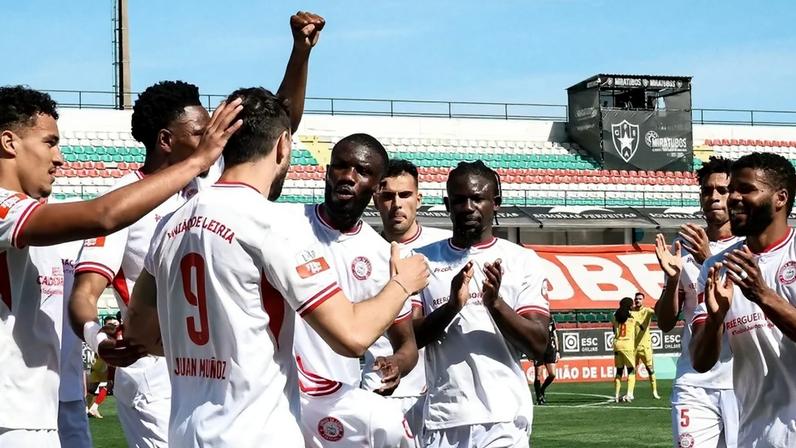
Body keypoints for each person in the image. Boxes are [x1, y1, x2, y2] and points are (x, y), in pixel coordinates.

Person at [68, 11, 324, 446]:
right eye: (202, 132)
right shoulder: (123, 199)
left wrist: (300, 54)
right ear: (166, 140)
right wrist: (97, 338)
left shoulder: (210, 183)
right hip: (153, 369)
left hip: (215, 367)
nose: (216, 139)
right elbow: (85, 292)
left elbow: (276, 130)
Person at [124, 87, 429, 447]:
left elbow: (139, 333)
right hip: (255, 435)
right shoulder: (274, 225)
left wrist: (208, 352)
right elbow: (352, 335)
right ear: (283, 145)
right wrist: (402, 283)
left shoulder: (171, 223)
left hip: (185, 434)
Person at [0, 85, 236, 445]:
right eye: (50, 143)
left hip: (46, 405)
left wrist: (97, 339)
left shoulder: (45, 220)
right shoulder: (7, 211)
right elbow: (104, 215)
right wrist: (197, 160)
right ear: (9, 142)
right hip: (12, 414)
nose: (59, 158)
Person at [413, 160, 550, 448]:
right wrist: (451, 307)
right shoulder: (420, 260)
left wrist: (495, 304)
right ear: (447, 205)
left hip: (505, 417)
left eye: (477, 198)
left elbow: (539, 346)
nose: (468, 207)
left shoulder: (522, 260)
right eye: (459, 200)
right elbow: (410, 338)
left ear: (495, 203)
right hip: (444, 418)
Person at [293, 137, 419, 447]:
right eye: (341, 166)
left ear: (377, 187)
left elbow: (406, 344)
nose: (348, 176)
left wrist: (397, 363)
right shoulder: (285, 226)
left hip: (339, 405)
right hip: (278, 394)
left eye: (362, 171)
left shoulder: (382, 255)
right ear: (327, 173)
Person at [691, 152, 796, 448]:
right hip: (755, 436)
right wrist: (715, 321)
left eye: (746, 189)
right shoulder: (716, 267)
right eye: (732, 189)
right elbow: (700, 362)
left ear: (780, 198)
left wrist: (762, 295)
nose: (733, 198)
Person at [654, 156, 739, 448]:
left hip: (741, 381)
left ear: (735, 195)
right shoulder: (683, 251)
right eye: (706, 190)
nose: (713, 197)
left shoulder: (748, 248)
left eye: (722, 190)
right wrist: (673, 280)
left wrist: (708, 260)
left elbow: (743, 305)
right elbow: (665, 323)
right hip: (694, 382)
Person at [367, 159, 450, 436]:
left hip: (437, 394)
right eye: (388, 196)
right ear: (376, 199)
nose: (397, 204)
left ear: (419, 199)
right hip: (379, 387)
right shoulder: (362, 251)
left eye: (404, 195)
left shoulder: (445, 248)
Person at [85, 316, 118, 419]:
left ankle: (86, 409)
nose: (115, 325)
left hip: (96, 362)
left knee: (92, 388)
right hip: (105, 362)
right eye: (113, 324)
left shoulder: (99, 333)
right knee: (108, 385)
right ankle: (94, 407)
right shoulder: (110, 335)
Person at [630, 292, 660, 399]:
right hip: (633, 347)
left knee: (650, 369)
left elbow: (657, 313)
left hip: (645, 346)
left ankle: (654, 392)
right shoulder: (630, 312)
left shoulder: (647, 311)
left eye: (640, 299)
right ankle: (630, 393)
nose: (637, 300)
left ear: (643, 300)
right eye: (636, 299)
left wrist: (657, 309)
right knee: (632, 370)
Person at [612, 297, 639, 403]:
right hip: (628, 345)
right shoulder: (633, 317)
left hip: (617, 344)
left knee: (619, 371)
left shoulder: (615, 316)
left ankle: (616, 395)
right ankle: (629, 394)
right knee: (631, 371)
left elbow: (614, 330)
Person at [533, 318, 559, 405]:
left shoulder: (551, 319)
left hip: (550, 349)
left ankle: (542, 389)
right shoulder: (536, 318)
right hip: (538, 349)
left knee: (552, 374)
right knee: (538, 375)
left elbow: (555, 335)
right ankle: (539, 397)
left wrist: (557, 351)